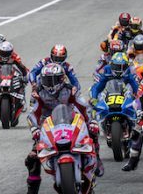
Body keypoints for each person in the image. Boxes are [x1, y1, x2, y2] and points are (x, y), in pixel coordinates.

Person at [25, 63, 101, 193]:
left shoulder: (71, 90)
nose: (50, 84)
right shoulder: (37, 93)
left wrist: (91, 121)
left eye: (54, 80)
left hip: (70, 119)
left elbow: (84, 106)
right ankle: (32, 190)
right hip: (47, 125)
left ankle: (96, 159)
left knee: (92, 132)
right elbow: (33, 113)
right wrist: (35, 129)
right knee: (33, 157)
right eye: (47, 80)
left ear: (61, 79)